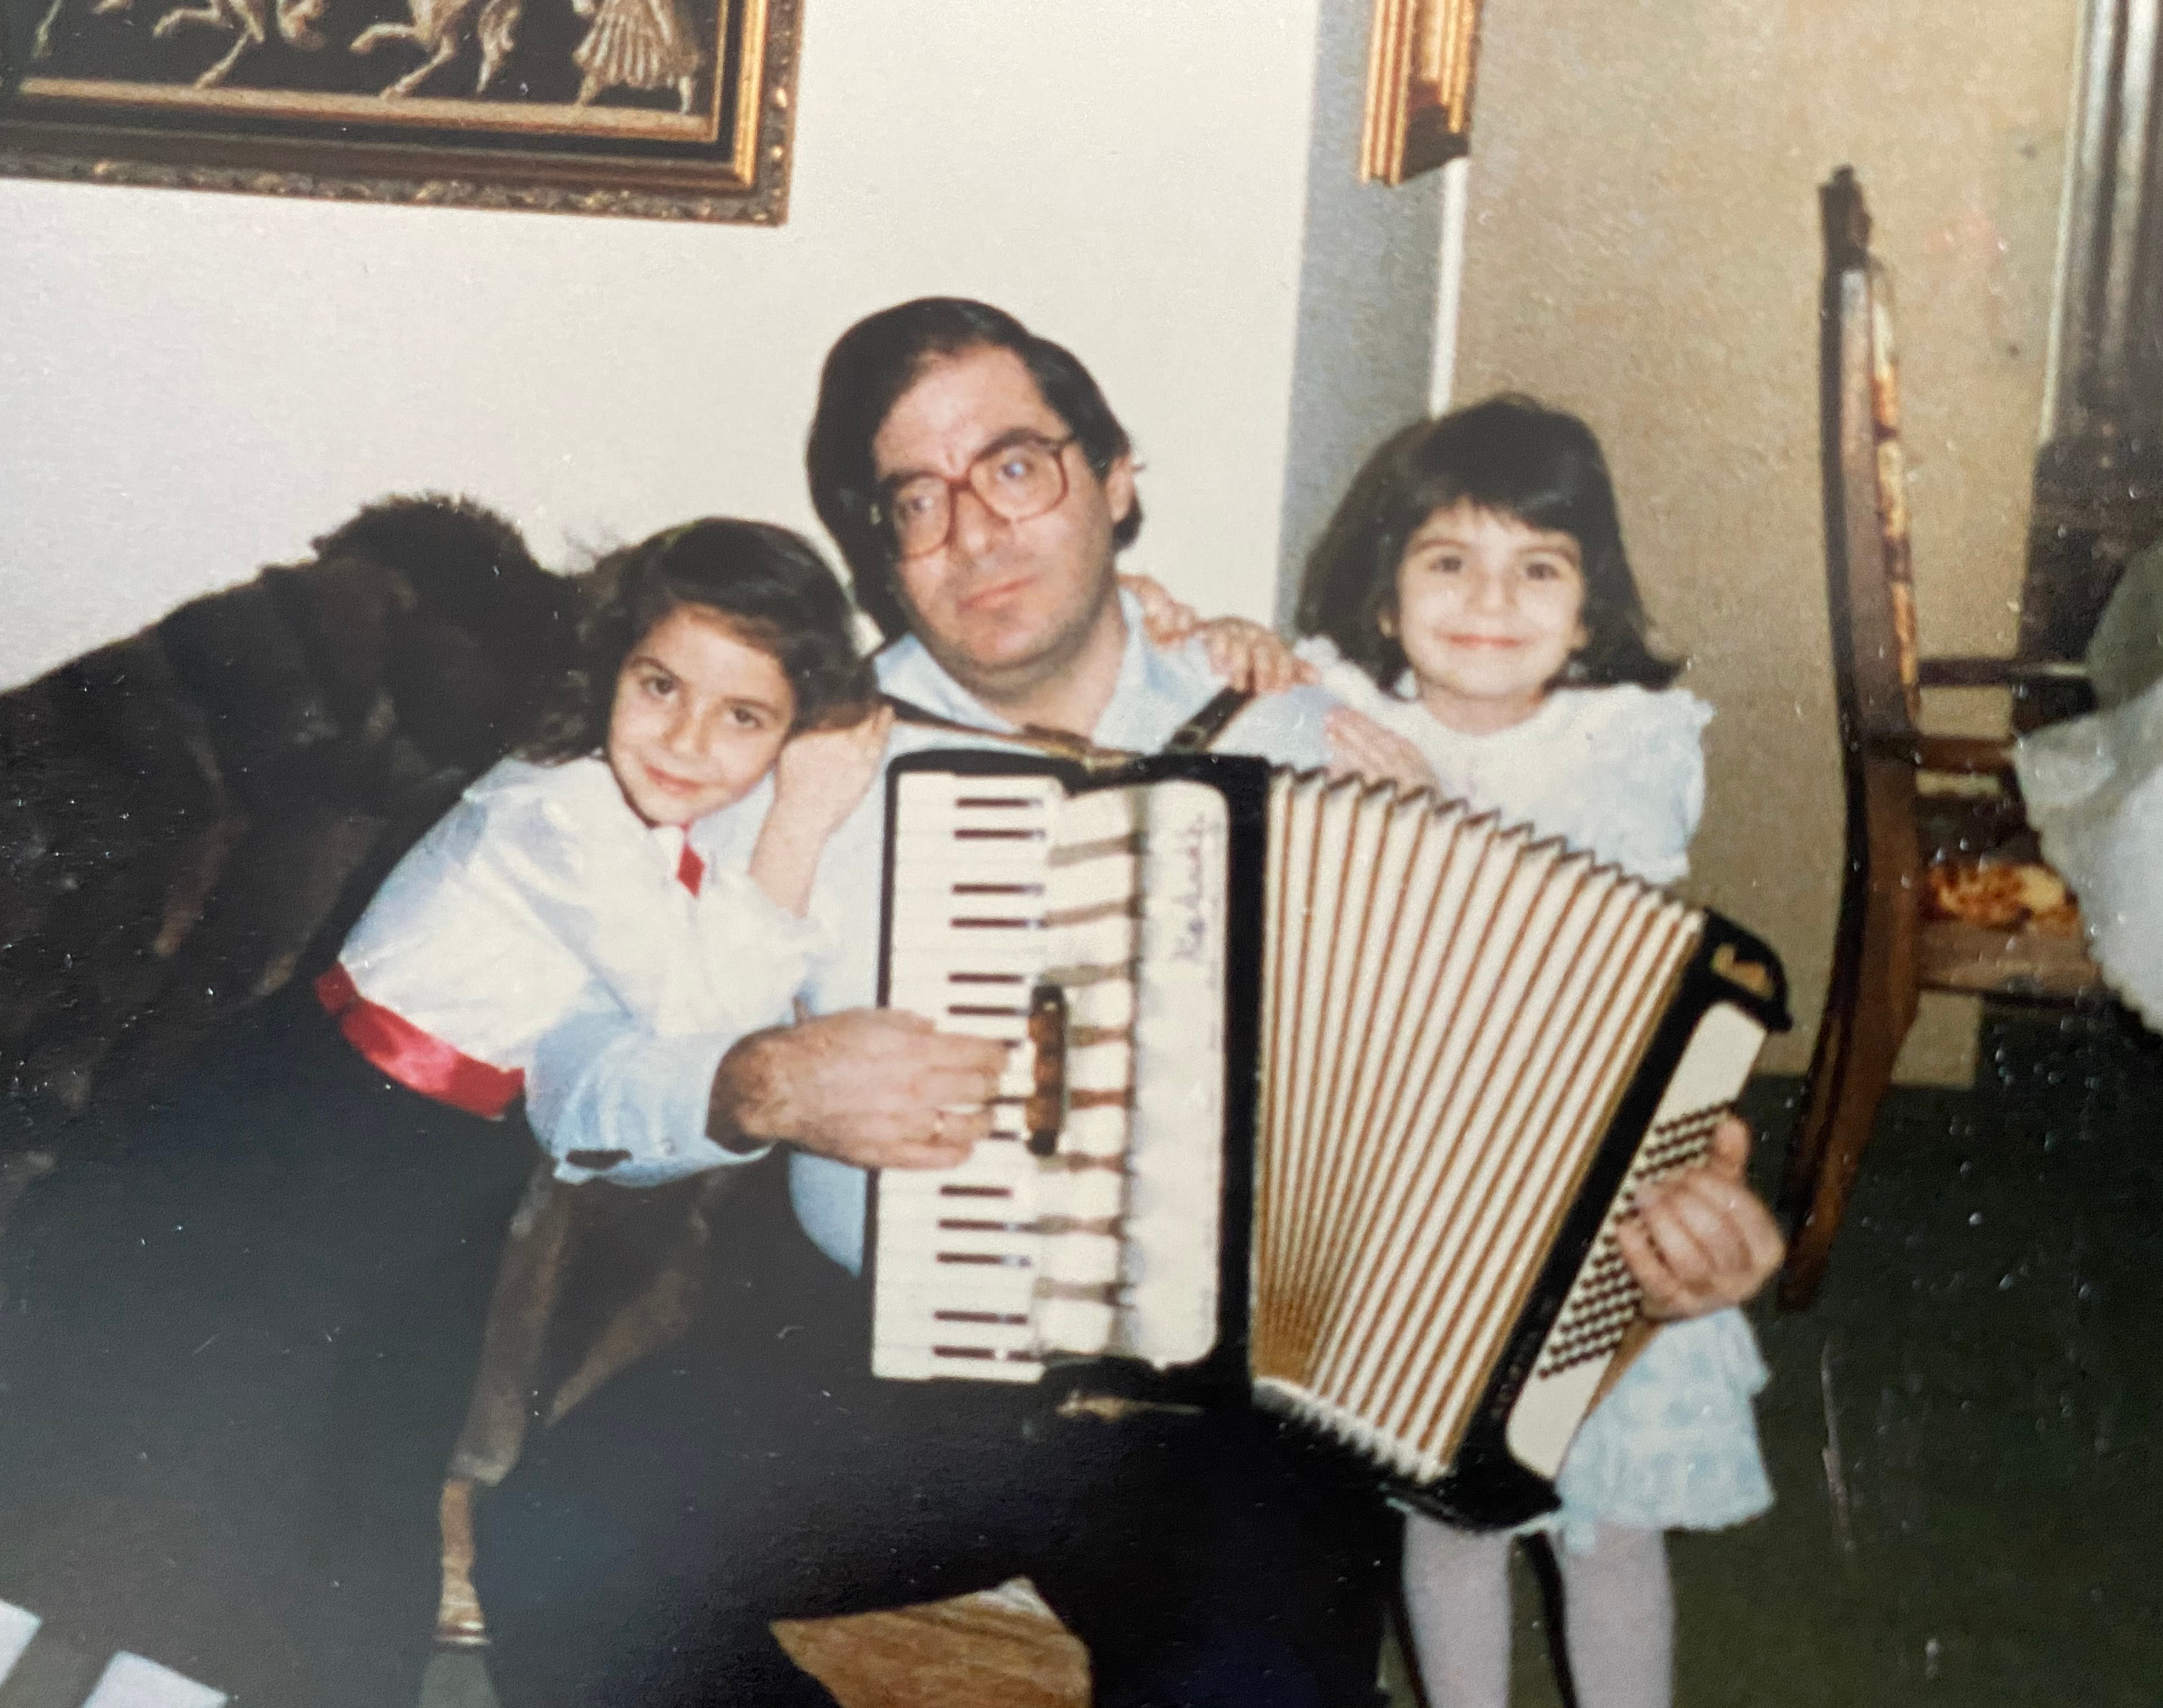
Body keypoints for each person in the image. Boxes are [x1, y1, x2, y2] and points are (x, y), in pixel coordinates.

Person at [475, 300, 1787, 1707]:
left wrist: (1671, 1228)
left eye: (1017, 468)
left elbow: (1531, 1070)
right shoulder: (803, 751)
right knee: (561, 1543)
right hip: (870, 1364)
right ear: (881, 545)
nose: (974, 532)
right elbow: (574, 1082)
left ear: (1116, 479)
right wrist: (760, 1084)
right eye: (917, 498)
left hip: (1242, 1404)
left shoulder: (1309, 738)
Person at [0, 520, 887, 1708]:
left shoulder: (655, 823)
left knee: (260, 1556)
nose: (689, 738)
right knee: (108, 1493)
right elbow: (707, 1020)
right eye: (662, 686)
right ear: (612, 667)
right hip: (309, 1145)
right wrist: (800, 818)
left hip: (430, 1185)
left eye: (744, 716)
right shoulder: (560, 812)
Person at [1285, 396, 1777, 1708]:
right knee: (1448, 1520)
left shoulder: (1624, 743)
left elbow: (1594, 894)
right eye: (1448, 562)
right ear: (1385, 599)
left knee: (1607, 1527)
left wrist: (1429, 808)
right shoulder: (1338, 711)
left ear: (1590, 601)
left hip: (1590, 1194)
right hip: (1423, 1200)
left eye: (1538, 568)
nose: (1490, 601)